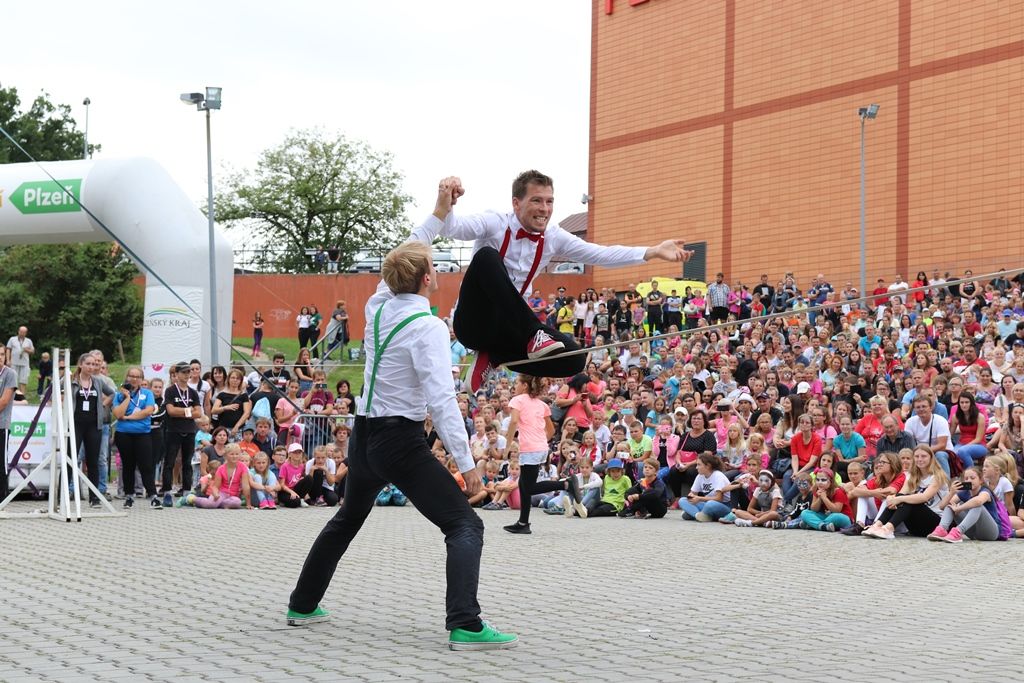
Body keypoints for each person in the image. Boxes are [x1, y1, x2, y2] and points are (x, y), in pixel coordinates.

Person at [286, 241, 517, 650]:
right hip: (398, 440)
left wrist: (440, 211)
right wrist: (468, 468)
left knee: (347, 519)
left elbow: (401, 260)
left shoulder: (377, 305)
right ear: (428, 277)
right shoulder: (428, 327)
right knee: (465, 525)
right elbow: (442, 401)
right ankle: (466, 623)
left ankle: (302, 605)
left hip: (364, 437)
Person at [415, 171, 693, 390]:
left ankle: (496, 356)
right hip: (472, 324)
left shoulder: (554, 236)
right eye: (536, 200)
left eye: (549, 201)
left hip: (507, 330)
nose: (544, 209)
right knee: (487, 256)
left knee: (573, 358)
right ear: (516, 203)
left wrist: (652, 251)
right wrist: (446, 202)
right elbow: (452, 227)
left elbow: (600, 253)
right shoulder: (494, 222)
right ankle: (532, 334)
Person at [502, 374, 581, 532]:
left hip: (530, 449)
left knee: (529, 487)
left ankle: (566, 484)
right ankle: (523, 524)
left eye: (517, 382)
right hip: (540, 447)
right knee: (524, 486)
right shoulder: (541, 404)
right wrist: (540, 441)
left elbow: (514, 421)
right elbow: (551, 429)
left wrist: (508, 445)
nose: (515, 385)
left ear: (525, 386)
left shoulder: (517, 400)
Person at [863, 445, 949, 539]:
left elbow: (924, 497)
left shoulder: (937, 477)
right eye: (916, 456)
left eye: (923, 456)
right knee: (901, 499)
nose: (920, 459)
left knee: (908, 501)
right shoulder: (912, 476)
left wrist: (899, 498)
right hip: (915, 527)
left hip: (936, 525)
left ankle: (888, 529)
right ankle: (877, 525)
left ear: (931, 458)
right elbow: (902, 493)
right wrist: (892, 498)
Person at [112, 366, 160, 509]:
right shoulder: (119, 395)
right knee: (128, 466)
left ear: (141, 379)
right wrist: (127, 398)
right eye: (131, 376)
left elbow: (148, 411)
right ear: (127, 377)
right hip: (124, 434)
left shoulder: (147, 393)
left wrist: (129, 417)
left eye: (137, 377)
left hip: (143, 434)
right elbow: (118, 414)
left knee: (146, 465)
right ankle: (129, 496)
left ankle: (153, 496)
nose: (134, 379)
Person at [69, 353, 113, 507]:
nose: (91, 367)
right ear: (81, 364)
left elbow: (112, 393)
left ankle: (94, 497)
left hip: (94, 425)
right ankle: (64, 494)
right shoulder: (71, 380)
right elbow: (53, 390)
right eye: (88, 364)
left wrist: (103, 404)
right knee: (71, 458)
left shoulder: (98, 382)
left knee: (93, 460)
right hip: (76, 424)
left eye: (94, 364)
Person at [160, 362, 202, 507]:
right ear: (176, 374)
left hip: (189, 431)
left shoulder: (193, 392)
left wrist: (182, 412)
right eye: (183, 372)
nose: (186, 375)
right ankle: (166, 492)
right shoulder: (170, 391)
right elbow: (171, 411)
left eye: (188, 372)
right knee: (169, 462)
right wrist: (188, 411)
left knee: (187, 462)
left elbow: (199, 413)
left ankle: (186, 492)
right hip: (173, 430)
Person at [928, 466, 1001, 543]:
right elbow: (942, 506)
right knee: (950, 505)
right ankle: (942, 529)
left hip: (990, 533)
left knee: (977, 506)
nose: (969, 480)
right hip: (973, 533)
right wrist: (951, 492)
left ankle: (958, 531)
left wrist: (959, 508)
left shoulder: (985, 492)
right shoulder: (964, 492)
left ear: (981, 480)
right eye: (966, 479)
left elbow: (978, 501)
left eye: (972, 478)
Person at [0, 348, 18, 500]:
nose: (0, 357)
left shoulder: (9, 374)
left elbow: (4, 402)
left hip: (1, 424)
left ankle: (2, 499)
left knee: (1, 463)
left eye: (1, 354)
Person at [5, 326, 34, 393]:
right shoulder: (12, 339)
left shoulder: (28, 341)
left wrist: (27, 350)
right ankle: (12, 396)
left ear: (26, 333)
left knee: (23, 380)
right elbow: (8, 349)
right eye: (21, 332)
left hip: (24, 363)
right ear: (18, 331)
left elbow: (32, 351)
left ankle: (21, 396)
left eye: (24, 332)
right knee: (13, 380)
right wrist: (8, 360)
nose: (22, 333)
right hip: (14, 363)